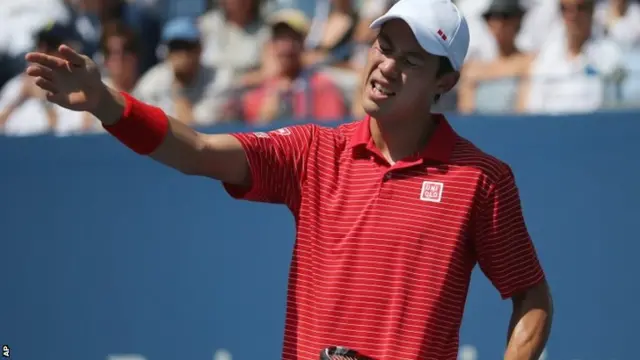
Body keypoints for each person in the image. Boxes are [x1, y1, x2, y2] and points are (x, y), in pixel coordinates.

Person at [24, 0, 553, 358]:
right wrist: (107, 104)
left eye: (410, 60)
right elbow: (199, 152)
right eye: (383, 47)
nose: (387, 67)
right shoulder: (313, 152)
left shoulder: (481, 179)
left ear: (446, 81)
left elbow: (531, 296)